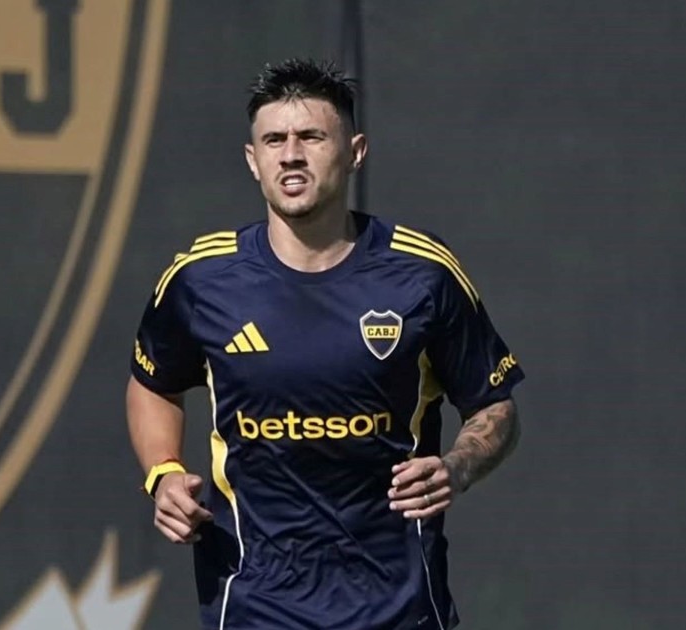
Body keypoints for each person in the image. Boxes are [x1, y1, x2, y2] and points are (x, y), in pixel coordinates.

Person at [124, 58, 524, 630]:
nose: (291, 154)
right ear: (252, 160)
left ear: (355, 151)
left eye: (311, 137)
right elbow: (152, 383)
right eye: (274, 140)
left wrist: (456, 468)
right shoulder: (201, 278)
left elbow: (495, 406)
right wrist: (163, 472)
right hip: (255, 606)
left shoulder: (423, 274)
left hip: (397, 608)